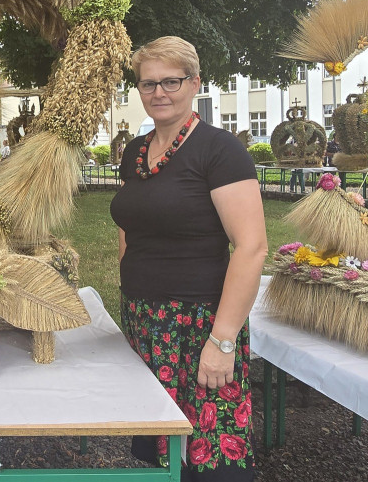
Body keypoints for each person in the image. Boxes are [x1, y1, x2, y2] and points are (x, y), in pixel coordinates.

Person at [110, 37, 267, 481]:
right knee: (159, 447)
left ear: (195, 83)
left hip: (199, 324)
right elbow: (130, 225)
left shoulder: (220, 151)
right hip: (145, 318)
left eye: (171, 82)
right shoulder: (136, 153)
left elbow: (252, 247)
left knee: (210, 456)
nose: (159, 93)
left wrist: (222, 342)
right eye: (147, 84)